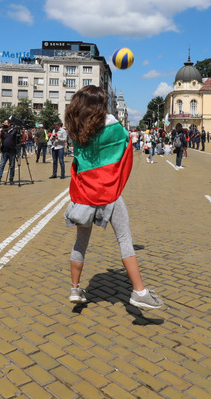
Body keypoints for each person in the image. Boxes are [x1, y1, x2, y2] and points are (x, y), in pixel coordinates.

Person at [63, 85, 164, 310]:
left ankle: (75, 288)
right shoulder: (115, 129)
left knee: (81, 242)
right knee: (124, 240)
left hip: (84, 193)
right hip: (108, 191)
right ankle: (139, 292)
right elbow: (127, 147)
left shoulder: (75, 130)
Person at [0, 117, 19, 185]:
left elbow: (18, 139)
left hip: (12, 151)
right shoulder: (3, 131)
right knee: (2, 165)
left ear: (9, 124)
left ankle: (11, 179)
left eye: (6, 123)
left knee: (12, 166)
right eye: (4, 123)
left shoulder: (14, 131)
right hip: (4, 150)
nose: (4, 124)